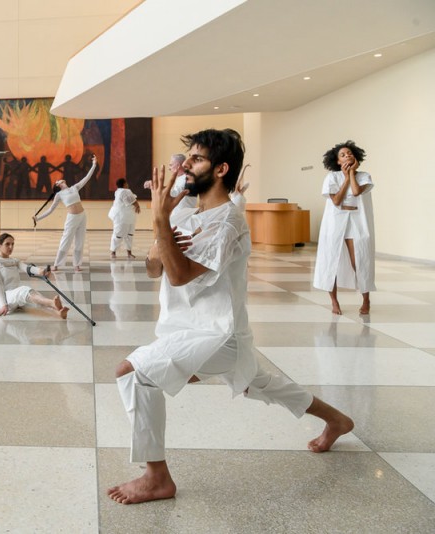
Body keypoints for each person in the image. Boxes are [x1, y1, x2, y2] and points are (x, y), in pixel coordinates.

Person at [108, 129, 354, 506]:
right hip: (192, 328)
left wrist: (160, 221)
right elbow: (154, 268)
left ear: (221, 169)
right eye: (187, 157)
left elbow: (177, 274)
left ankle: (156, 478)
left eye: (197, 159)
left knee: (134, 373)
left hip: (217, 335)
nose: (186, 164)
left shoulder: (227, 222)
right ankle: (336, 420)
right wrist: (165, 227)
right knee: (260, 384)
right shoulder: (189, 211)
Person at [313, 141, 375, 315]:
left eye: (349, 153)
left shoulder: (364, 176)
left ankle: (366, 300)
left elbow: (356, 192)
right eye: (343, 155)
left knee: (360, 261)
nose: (347, 155)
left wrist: (352, 174)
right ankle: (334, 301)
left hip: (357, 222)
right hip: (335, 223)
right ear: (337, 161)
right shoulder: (332, 177)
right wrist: (345, 178)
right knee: (331, 261)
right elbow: (337, 201)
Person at [32, 154, 98, 272]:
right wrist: (38, 218)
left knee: (80, 241)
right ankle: (57, 265)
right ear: (58, 185)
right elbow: (50, 209)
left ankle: (77, 264)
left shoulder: (74, 188)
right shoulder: (59, 195)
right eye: (58, 181)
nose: (60, 179)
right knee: (66, 240)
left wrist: (94, 164)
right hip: (72, 218)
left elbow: (87, 177)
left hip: (82, 216)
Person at [0, 233, 69, 319]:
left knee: (34, 297)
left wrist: (41, 271)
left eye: (12, 244)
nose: (11, 247)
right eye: (7, 244)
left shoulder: (14, 261)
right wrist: (3, 305)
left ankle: (58, 313)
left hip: (14, 296)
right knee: (24, 290)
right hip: (1, 300)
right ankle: (52, 303)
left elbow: (27, 268)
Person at [108, 178, 141, 259]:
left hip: (128, 217)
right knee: (118, 234)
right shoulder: (124, 191)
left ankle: (129, 253)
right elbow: (131, 200)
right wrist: (138, 206)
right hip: (121, 218)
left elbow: (130, 199)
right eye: (126, 183)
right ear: (124, 184)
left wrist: (136, 205)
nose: (127, 184)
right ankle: (113, 252)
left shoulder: (118, 191)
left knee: (129, 235)